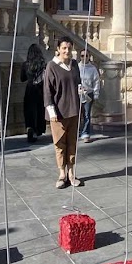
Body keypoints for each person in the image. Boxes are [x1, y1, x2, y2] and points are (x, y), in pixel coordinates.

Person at [44, 37, 82, 189]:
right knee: (60, 143)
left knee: (72, 143)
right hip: (58, 113)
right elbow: (47, 91)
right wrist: (51, 111)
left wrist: (82, 92)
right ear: (58, 49)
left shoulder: (74, 64)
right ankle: (62, 174)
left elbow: (78, 82)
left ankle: (72, 172)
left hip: (74, 110)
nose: (67, 51)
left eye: (69, 48)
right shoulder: (52, 66)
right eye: (64, 48)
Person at [21, 43, 46, 143]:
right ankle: (37, 130)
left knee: (29, 111)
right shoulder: (43, 64)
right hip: (40, 90)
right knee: (39, 110)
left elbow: (22, 78)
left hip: (30, 89)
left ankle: (30, 128)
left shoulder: (25, 64)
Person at [78, 49, 100, 143]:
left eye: (86, 56)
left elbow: (96, 82)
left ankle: (85, 133)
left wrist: (96, 94)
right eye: (82, 56)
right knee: (77, 114)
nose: (84, 58)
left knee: (87, 114)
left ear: (89, 57)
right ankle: (77, 131)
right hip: (77, 93)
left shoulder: (92, 69)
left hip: (88, 94)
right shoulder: (77, 67)